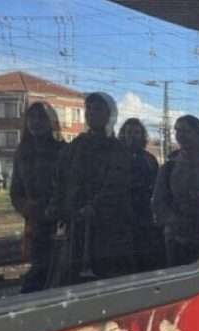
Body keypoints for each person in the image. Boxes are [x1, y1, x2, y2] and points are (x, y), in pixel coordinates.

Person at [45, 92, 134, 285]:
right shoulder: (76, 145)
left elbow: (116, 185)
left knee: (105, 276)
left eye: (98, 109)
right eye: (89, 109)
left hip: (108, 230)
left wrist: (95, 207)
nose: (91, 113)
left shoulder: (118, 149)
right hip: (76, 226)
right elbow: (60, 179)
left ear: (110, 114)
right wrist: (56, 206)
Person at [9, 102, 65, 293]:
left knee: (49, 270)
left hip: (60, 223)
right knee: (41, 266)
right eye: (32, 118)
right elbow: (15, 191)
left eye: (41, 118)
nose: (36, 122)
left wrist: (56, 208)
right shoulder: (23, 153)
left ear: (51, 122)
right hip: (35, 224)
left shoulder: (62, 150)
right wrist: (26, 206)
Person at [152, 115, 199, 266]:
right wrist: (176, 222)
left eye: (187, 131)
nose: (181, 136)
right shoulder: (169, 168)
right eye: (178, 131)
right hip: (177, 240)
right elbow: (158, 204)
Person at [119, 118, 166, 271]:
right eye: (130, 132)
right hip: (121, 215)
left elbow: (158, 188)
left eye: (137, 132)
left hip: (144, 216)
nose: (133, 136)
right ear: (123, 134)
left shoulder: (149, 159)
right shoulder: (115, 158)